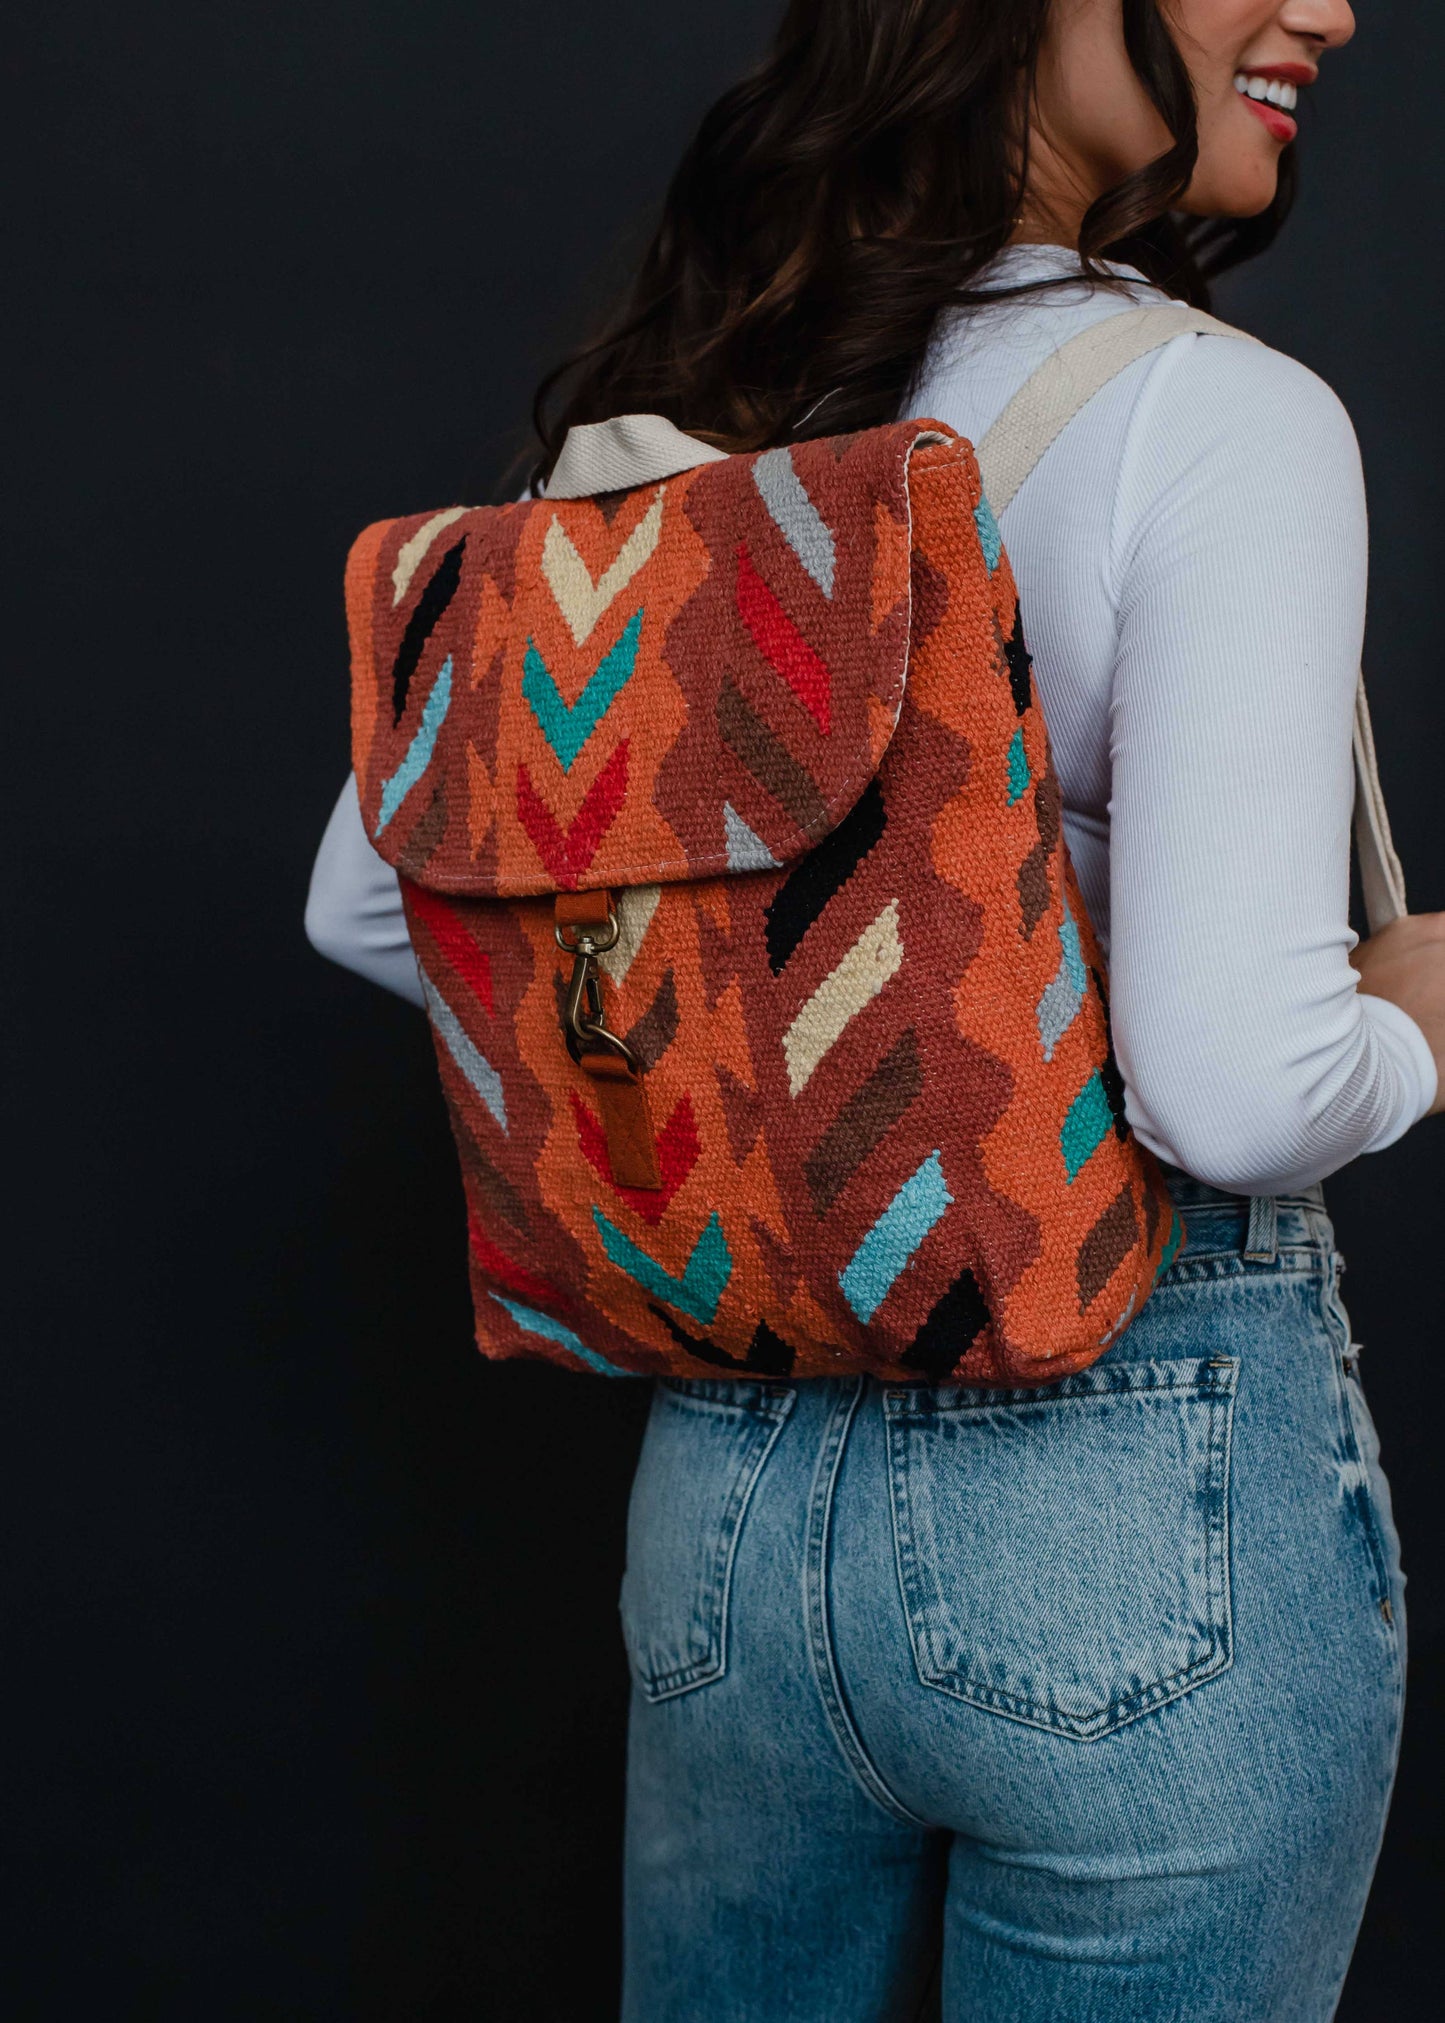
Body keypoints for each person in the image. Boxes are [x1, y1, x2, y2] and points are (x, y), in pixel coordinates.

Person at [306, 3, 1445, 2015]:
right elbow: (1237, 1092)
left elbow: (374, 900)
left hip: (732, 1501)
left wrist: (735, 1007)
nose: (1336, 3)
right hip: (1130, 1472)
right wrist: (1412, 1020)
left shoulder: (692, 412)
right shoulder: (1217, 416)